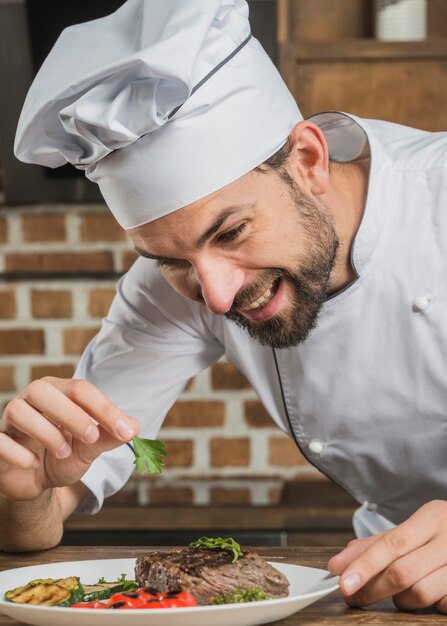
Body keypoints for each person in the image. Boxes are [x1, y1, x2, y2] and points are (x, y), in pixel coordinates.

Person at [2, 0, 447, 614]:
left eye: (232, 232)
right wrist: (19, 492)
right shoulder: (170, 287)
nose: (214, 293)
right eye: (171, 259)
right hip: (382, 592)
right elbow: (45, 513)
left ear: (310, 161)